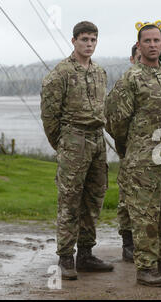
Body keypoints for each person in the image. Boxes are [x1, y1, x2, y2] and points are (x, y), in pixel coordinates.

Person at [105, 21, 161, 287]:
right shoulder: (131, 78)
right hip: (143, 160)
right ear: (139, 45)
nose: (152, 45)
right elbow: (114, 122)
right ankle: (146, 267)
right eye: (147, 41)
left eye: (157, 41)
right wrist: (133, 148)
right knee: (145, 214)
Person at [40, 21, 114, 280]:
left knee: (94, 197)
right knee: (70, 200)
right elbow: (50, 115)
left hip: (96, 139)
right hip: (73, 139)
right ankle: (65, 257)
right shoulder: (61, 73)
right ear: (74, 41)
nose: (89, 44)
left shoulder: (99, 72)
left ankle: (85, 254)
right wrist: (63, 144)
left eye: (93, 39)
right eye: (84, 39)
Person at [116, 44, 142, 263]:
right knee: (128, 196)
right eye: (139, 57)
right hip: (132, 149)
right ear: (133, 59)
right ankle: (129, 243)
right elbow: (116, 120)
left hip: (156, 150)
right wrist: (126, 143)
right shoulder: (127, 82)